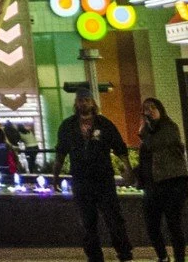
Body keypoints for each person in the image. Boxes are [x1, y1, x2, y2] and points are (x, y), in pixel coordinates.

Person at [54, 89, 134, 262]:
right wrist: (55, 177)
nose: (84, 103)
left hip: (103, 179)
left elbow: (119, 147)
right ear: (76, 103)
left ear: (93, 103)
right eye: (81, 100)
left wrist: (128, 169)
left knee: (114, 218)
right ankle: (94, 256)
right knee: (87, 222)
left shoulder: (104, 124)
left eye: (87, 100)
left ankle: (124, 253)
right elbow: (60, 153)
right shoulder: (68, 126)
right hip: (81, 181)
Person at [137, 97, 188, 262]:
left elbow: (157, 144)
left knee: (174, 225)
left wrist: (144, 131)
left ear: (160, 109)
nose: (150, 110)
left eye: (153, 107)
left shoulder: (169, 127)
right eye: (146, 108)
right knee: (151, 226)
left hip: (172, 183)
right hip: (152, 186)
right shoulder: (147, 133)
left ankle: (179, 258)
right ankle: (163, 256)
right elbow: (145, 159)